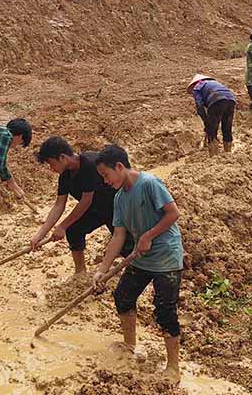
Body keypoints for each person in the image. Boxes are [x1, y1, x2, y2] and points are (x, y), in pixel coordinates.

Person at [93, 145, 184, 385]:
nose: (105, 181)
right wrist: (103, 269)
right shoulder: (120, 198)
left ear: (120, 167)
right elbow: (118, 235)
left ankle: (173, 367)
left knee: (165, 311)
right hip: (141, 257)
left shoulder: (149, 183)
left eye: (106, 175)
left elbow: (173, 213)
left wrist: (148, 235)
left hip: (165, 257)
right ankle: (129, 345)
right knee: (122, 296)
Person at [31, 137, 134, 276]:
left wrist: (62, 226)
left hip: (115, 206)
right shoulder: (65, 176)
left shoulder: (89, 164)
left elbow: (86, 200)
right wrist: (40, 235)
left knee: (126, 244)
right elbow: (59, 205)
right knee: (74, 229)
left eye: (51, 163)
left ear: (62, 157)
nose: (51, 168)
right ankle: (80, 272)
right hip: (95, 210)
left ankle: (136, 270)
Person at [186, 74, 237, 155]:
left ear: (193, 85)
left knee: (212, 130)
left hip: (216, 99)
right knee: (227, 126)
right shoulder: (213, 83)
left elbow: (199, 106)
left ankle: (213, 156)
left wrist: (206, 122)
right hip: (231, 99)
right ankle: (228, 152)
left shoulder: (197, 87)